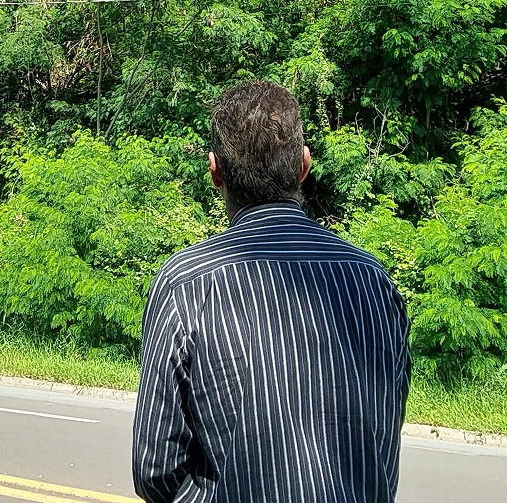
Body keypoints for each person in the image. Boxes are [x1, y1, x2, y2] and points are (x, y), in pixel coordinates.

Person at [131, 81, 412, 503]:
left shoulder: (186, 284)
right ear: (304, 165)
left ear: (215, 171)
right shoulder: (372, 280)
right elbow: (384, 439)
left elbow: (155, 469)